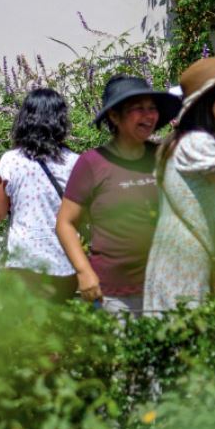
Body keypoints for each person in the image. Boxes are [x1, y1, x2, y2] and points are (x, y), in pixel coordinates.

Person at [57, 75, 178, 316]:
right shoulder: (92, 163)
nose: (149, 115)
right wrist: (84, 272)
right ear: (114, 116)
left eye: (152, 108)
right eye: (138, 109)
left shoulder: (162, 156)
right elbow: (65, 223)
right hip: (113, 294)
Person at [143, 58, 215, 311]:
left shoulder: (179, 140)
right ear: (205, 102)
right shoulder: (197, 142)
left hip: (176, 252)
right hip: (184, 258)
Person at [0, 86, 85, 300]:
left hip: (25, 262)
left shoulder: (11, 161)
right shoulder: (75, 162)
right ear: (61, 120)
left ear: (24, 120)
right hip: (64, 263)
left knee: (25, 329)